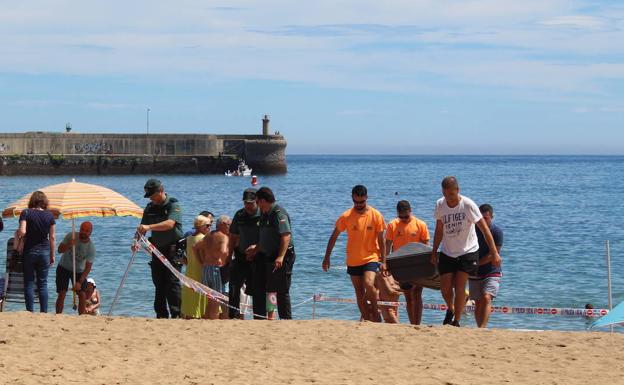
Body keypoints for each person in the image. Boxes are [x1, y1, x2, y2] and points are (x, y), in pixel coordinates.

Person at [430, 177, 501, 327]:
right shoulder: (440, 205)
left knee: (460, 285)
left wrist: (494, 252)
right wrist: (434, 250)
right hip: (448, 251)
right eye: (445, 194)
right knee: (445, 288)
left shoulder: (468, 205)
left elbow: (484, 229)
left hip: (467, 251)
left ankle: (456, 320)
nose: (448, 197)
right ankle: (451, 308)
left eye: (451, 194)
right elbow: (439, 230)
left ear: (457, 190)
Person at [323, 185, 385, 322]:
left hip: (371, 257)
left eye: (361, 202)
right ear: (352, 198)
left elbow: (381, 240)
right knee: (359, 291)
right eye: (356, 202)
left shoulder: (376, 215)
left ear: (366, 198)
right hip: (353, 259)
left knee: (369, 284)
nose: (359, 205)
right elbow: (334, 236)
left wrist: (384, 261)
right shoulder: (346, 216)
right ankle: (367, 318)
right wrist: (326, 257)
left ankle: (375, 313)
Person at [136, 178, 184, 319]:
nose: (151, 198)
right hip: (157, 249)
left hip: (174, 249)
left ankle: (176, 314)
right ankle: (161, 315)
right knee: (158, 282)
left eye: (153, 195)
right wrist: (136, 240)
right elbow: (142, 228)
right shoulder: (150, 208)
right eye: (149, 196)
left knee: (172, 282)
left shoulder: (173, 205)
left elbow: (170, 224)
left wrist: (149, 227)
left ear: (161, 191)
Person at [251, 187, 295, 319]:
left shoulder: (278, 213)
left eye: (258, 202)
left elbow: (286, 236)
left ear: (263, 200)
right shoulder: (265, 214)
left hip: (282, 255)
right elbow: (265, 236)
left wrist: (281, 256)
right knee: (262, 287)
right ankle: (260, 318)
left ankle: (286, 319)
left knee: (282, 290)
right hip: (267, 255)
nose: (257, 206)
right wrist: (256, 248)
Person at [384, 200, 430, 324]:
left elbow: (426, 246)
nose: (404, 219)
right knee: (408, 296)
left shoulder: (420, 224)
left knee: (417, 294)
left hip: (418, 264)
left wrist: (427, 266)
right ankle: (412, 324)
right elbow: (387, 245)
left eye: (406, 216)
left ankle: (417, 323)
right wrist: (385, 263)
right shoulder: (392, 225)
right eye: (401, 216)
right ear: (397, 213)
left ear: (410, 211)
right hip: (401, 266)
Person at [16, 191, 56, 313]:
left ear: (32, 201)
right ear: (44, 202)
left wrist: (19, 237)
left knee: (28, 282)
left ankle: (30, 312)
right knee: (42, 284)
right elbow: (52, 237)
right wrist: (52, 254)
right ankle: (43, 312)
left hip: (30, 252)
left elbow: (22, 231)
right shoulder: (50, 216)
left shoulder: (26, 213)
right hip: (44, 252)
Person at [227, 188, 261, 319]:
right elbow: (233, 236)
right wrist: (229, 255)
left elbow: (267, 237)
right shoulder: (239, 215)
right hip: (241, 256)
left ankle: (258, 316)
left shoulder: (262, 215)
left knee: (257, 288)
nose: (248, 206)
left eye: (251, 203)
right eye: (246, 203)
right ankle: (233, 316)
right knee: (234, 286)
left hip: (258, 257)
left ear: (257, 202)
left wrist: (257, 249)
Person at [469, 204, 503, 328]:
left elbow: (493, 255)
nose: (484, 221)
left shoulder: (497, 232)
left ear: (492, 217)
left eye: (486, 218)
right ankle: (479, 328)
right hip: (474, 271)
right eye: (481, 218)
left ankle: (482, 327)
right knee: (477, 302)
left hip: (492, 270)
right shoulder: (472, 230)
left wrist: (476, 263)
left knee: (486, 297)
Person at [55, 221, 96, 315]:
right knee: (62, 293)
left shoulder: (91, 248)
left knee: (82, 294)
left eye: (86, 231)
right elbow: (59, 250)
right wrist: (69, 244)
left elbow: (88, 268)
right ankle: (58, 315)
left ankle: (81, 316)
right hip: (63, 267)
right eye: (82, 229)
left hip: (79, 271)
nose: (84, 232)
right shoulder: (71, 236)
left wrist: (80, 282)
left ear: (90, 232)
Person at [195, 215, 231, 320]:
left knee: (210, 298)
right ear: (223, 224)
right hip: (216, 269)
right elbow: (224, 251)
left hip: (206, 268)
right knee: (217, 298)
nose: (230, 227)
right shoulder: (224, 237)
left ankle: (208, 318)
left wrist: (200, 262)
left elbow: (195, 247)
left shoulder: (209, 235)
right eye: (229, 225)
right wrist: (223, 259)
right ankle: (213, 320)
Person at [180, 215, 212, 319]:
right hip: (200, 271)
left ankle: (190, 315)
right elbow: (204, 257)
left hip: (190, 271)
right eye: (208, 225)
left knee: (191, 296)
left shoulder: (189, 238)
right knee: (201, 295)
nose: (210, 227)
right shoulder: (203, 239)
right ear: (201, 226)